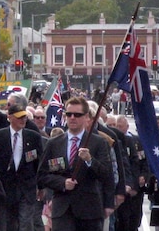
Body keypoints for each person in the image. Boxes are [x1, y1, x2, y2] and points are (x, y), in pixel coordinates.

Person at [37, 96, 112, 231]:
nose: (72, 117)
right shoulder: (54, 143)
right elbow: (42, 176)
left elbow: (106, 174)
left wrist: (90, 160)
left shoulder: (98, 142)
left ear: (86, 118)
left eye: (77, 115)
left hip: (89, 210)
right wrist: (62, 183)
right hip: (62, 209)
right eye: (69, 114)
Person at [0, 104, 43, 231]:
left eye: (24, 117)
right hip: (5, 187)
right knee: (8, 223)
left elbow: (39, 163)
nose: (23, 120)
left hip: (26, 187)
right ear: (9, 117)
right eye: (19, 117)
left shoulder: (33, 137)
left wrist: (40, 185)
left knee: (26, 223)